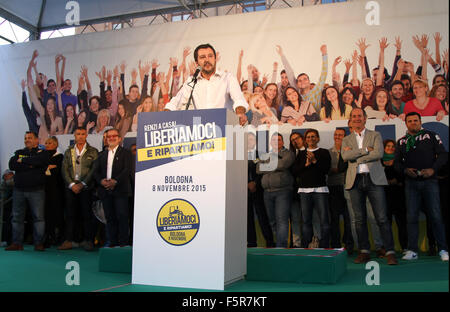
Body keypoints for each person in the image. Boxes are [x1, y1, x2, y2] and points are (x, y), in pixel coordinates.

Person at [341, 108, 398, 265]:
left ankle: (390, 251)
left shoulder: (375, 135)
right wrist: (365, 150)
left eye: (360, 116)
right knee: (359, 220)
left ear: (365, 119)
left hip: (374, 180)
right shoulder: (346, 140)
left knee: (381, 218)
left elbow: (378, 153)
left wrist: (356, 156)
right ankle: (364, 251)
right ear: (351, 120)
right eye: (354, 116)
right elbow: (345, 156)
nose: (357, 118)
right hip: (355, 181)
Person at [395, 112, 448, 261]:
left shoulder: (431, 136)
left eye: (415, 120)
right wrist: (405, 170)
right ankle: (412, 250)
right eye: (410, 121)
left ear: (420, 121)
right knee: (411, 217)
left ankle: (443, 249)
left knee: (436, 216)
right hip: (411, 183)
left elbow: (443, 155)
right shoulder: (401, 142)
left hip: (430, 181)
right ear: (405, 123)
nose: (413, 123)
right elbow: (397, 163)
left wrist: (433, 169)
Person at [165, 43, 248, 112]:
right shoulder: (192, 81)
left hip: (225, 127)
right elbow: (176, 101)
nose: (207, 60)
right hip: (201, 128)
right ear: (196, 63)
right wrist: (166, 112)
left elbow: (239, 99)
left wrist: (240, 111)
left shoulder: (228, 78)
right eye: (202, 57)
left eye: (210, 56)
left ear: (215, 59)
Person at [6, 131, 50, 251]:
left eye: (30, 138)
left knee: (38, 218)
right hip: (19, 190)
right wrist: (31, 164)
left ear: (37, 140)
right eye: (25, 138)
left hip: (37, 190)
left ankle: (38, 243)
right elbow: (12, 164)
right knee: (17, 218)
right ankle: (17, 243)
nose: (27, 140)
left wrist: (23, 161)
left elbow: (40, 162)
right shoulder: (19, 152)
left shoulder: (43, 153)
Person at [59, 127, 99, 251]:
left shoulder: (93, 151)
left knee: (87, 215)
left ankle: (89, 241)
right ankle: (69, 240)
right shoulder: (68, 151)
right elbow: (64, 169)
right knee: (70, 215)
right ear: (74, 136)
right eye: (78, 134)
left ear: (86, 135)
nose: (80, 136)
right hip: (71, 188)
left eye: (82, 134)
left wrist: (82, 184)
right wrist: (71, 184)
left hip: (86, 188)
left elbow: (94, 170)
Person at [293, 129, 331, 248]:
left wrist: (314, 161)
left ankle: (324, 246)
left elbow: (326, 170)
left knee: (324, 220)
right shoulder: (301, 154)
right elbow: (295, 172)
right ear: (305, 140)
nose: (311, 139)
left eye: (313, 136)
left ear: (318, 138)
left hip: (320, 190)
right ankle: (306, 246)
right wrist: (306, 165)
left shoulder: (324, 152)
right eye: (308, 137)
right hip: (304, 191)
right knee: (306, 221)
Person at [94, 128, 132, 248]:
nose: (111, 138)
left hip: (120, 191)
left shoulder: (126, 153)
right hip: (105, 191)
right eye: (108, 136)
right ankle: (112, 242)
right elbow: (95, 171)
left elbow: (127, 170)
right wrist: (101, 181)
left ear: (119, 138)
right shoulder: (102, 155)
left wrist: (115, 181)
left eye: (114, 136)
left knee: (122, 217)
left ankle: (123, 243)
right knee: (109, 218)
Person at [257, 133, 295, 248]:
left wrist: (267, 166)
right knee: (272, 221)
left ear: (283, 142)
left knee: (281, 220)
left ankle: (281, 247)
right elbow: (258, 168)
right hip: (267, 192)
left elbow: (283, 164)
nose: (276, 142)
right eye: (274, 140)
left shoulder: (288, 153)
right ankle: (280, 242)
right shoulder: (265, 155)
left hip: (282, 192)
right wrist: (274, 165)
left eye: (278, 140)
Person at [328, 128, 354, 252]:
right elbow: (327, 170)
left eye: (341, 135)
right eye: (336, 135)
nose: (338, 137)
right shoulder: (328, 152)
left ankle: (349, 244)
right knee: (334, 218)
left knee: (349, 218)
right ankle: (335, 245)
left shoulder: (350, 151)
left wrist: (337, 169)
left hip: (348, 186)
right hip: (333, 188)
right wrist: (337, 170)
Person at [247, 132, 274, 248]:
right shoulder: (238, 155)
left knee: (263, 217)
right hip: (243, 191)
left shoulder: (262, 155)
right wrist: (246, 184)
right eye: (247, 139)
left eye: (252, 139)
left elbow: (265, 171)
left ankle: (270, 242)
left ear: (256, 142)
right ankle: (251, 243)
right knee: (248, 218)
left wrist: (255, 183)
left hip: (258, 190)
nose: (249, 141)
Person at [382, 139, 408, 252]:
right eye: (388, 146)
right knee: (386, 224)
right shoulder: (378, 161)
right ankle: (388, 248)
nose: (390, 148)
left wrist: (396, 181)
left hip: (399, 196)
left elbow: (405, 177)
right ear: (383, 148)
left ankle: (405, 247)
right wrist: (386, 182)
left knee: (402, 223)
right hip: (384, 197)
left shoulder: (400, 162)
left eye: (393, 146)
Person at [43, 136, 65, 247]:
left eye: (50, 143)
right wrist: (47, 167)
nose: (47, 145)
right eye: (46, 143)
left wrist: (45, 167)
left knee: (57, 214)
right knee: (46, 215)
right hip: (43, 190)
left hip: (57, 190)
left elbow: (57, 170)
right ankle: (48, 237)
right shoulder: (41, 156)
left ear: (56, 144)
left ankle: (59, 237)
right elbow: (41, 168)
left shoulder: (60, 157)